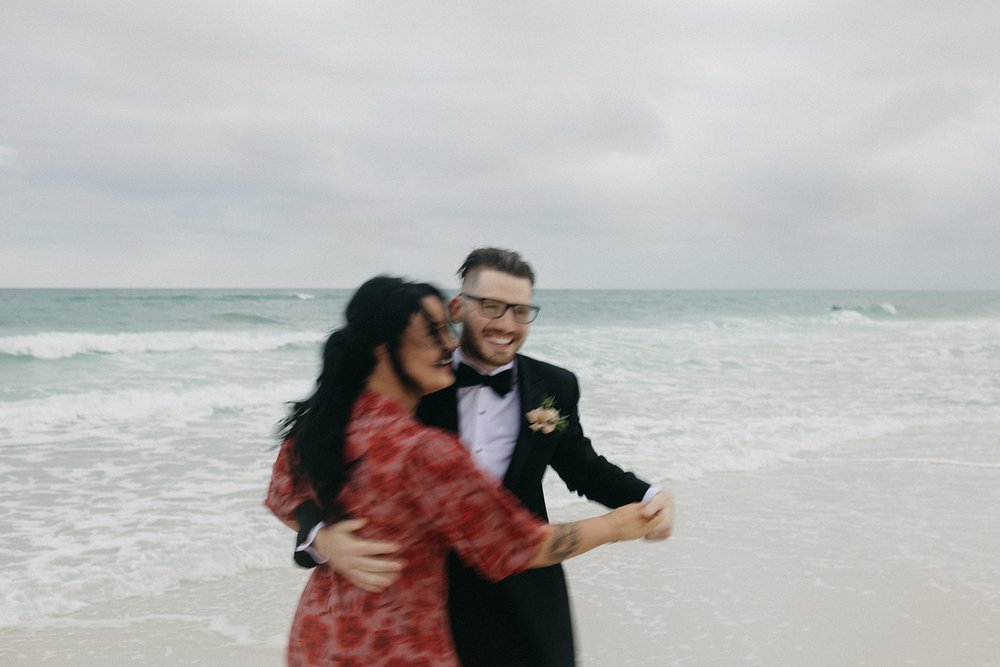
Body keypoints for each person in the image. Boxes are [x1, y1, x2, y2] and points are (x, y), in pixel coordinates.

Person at [288, 249, 675, 666]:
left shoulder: (554, 385)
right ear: (458, 307)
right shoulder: (413, 380)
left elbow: (583, 466)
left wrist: (651, 495)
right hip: (430, 597)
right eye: (491, 307)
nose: (506, 324)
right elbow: (309, 466)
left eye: (521, 311)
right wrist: (319, 538)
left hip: (527, 592)